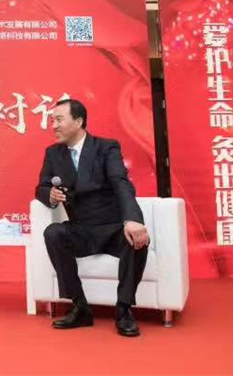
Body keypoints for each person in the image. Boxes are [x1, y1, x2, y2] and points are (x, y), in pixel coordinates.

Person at [35, 99, 150, 337]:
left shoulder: (106, 148)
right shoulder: (53, 153)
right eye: (52, 120)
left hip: (112, 228)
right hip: (81, 230)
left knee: (137, 240)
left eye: (59, 120)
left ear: (78, 122)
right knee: (53, 233)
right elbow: (41, 187)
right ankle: (80, 306)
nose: (53, 125)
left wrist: (132, 219)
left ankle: (124, 309)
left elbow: (121, 183)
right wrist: (50, 195)